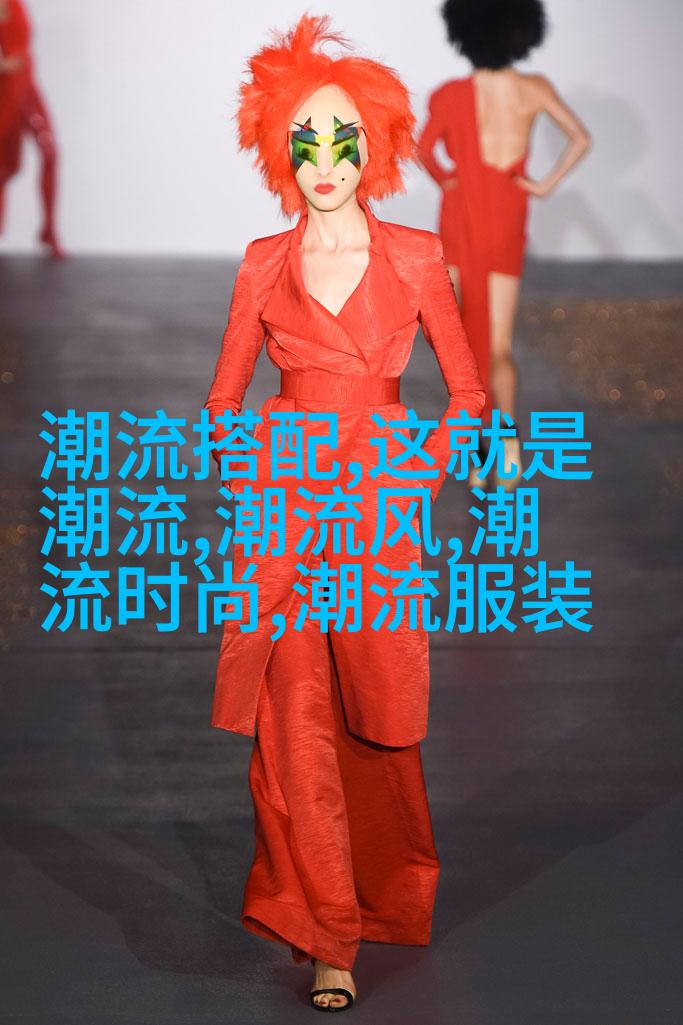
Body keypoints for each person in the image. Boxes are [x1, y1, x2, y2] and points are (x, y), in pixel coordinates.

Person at [204, 15, 486, 1012]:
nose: (324, 164)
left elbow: (467, 394)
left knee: (377, 714)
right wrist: (250, 486)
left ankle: (388, 892)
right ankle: (330, 937)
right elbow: (221, 401)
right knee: (294, 723)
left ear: (376, 145)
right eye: (304, 143)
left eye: (343, 141)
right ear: (276, 151)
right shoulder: (260, 261)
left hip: (379, 513)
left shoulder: (414, 255)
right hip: (282, 513)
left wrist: (413, 476)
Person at [417, 0, 590, 489]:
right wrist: (544, 185)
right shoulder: (534, 89)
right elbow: (579, 138)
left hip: (461, 215)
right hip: (507, 212)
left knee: (459, 340)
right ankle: (507, 446)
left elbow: (422, 149)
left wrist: (446, 180)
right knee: (497, 343)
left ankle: (476, 448)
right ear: (521, 30)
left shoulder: (449, 95)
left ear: (464, 31)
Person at [0, 0, 63, 258]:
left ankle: (49, 229)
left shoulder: (16, 4)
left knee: (50, 152)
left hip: (26, 85)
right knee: (7, 166)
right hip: (8, 89)